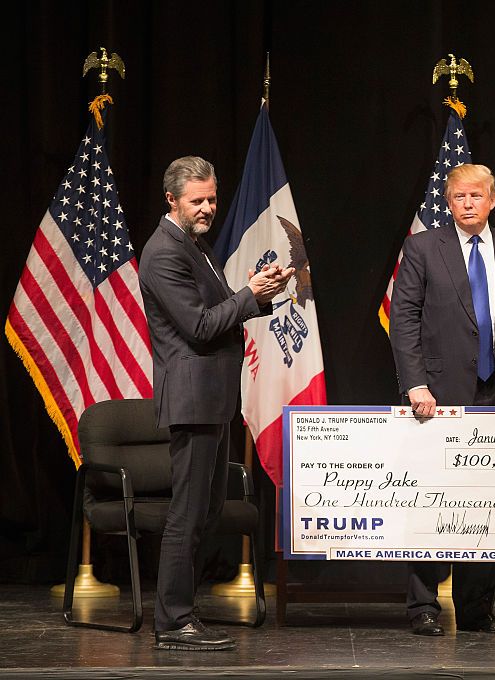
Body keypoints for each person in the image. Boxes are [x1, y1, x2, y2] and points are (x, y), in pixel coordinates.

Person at [139, 156, 293, 651]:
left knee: (205, 512)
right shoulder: (163, 252)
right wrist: (249, 294)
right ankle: (172, 621)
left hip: (213, 397)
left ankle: (183, 610)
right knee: (187, 513)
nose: (208, 208)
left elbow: (221, 310)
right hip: (192, 398)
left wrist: (260, 291)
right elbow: (201, 326)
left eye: (211, 198)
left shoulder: (194, 244)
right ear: (172, 201)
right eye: (197, 201)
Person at [389, 163, 495, 635]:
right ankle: (423, 607)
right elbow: (404, 321)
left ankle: (477, 610)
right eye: (458, 197)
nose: (468, 204)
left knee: (487, 504)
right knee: (431, 501)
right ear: (448, 200)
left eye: (476, 196)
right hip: (436, 398)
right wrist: (415, 383)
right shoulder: (422, 247)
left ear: (492, 199)